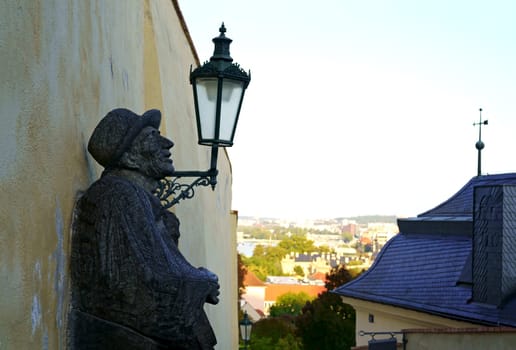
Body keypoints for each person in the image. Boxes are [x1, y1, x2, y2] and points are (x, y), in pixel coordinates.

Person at [70, 108, 219, 349]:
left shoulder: (135, 199)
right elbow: (133, 291)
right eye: (153, 137)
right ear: (129, 157)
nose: (167, 143)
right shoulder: (118, 196)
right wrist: (202, 281)